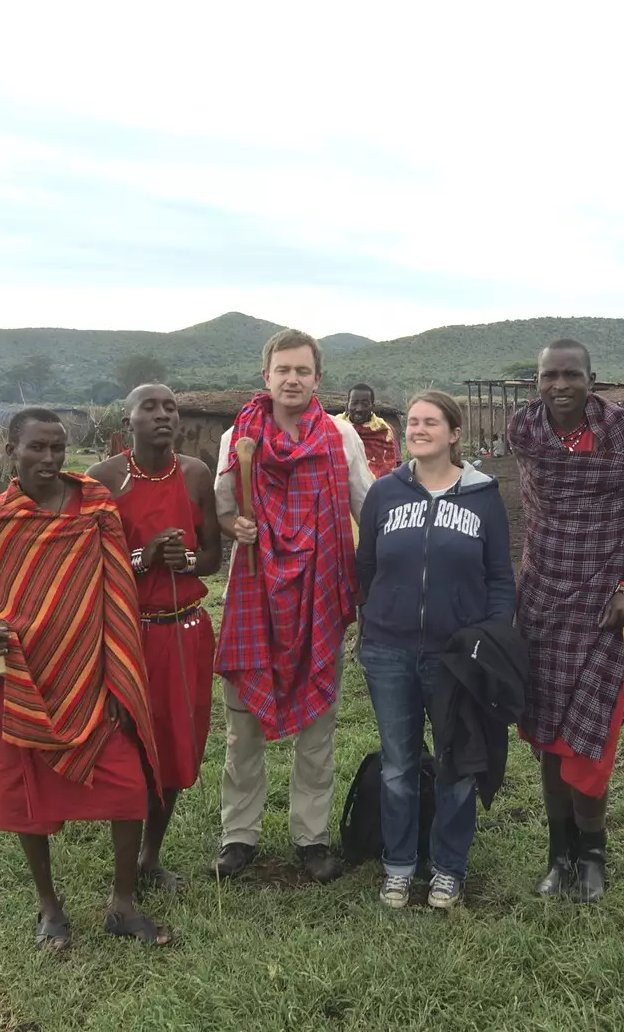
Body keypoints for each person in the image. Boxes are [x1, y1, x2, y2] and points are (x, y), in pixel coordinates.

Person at [0, 408, 173, 949]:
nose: (49, 459)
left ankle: (123, 904)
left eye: (57, 448)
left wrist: (120, 677)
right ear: (12, 451)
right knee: (29, 798)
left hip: (94, 676)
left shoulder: (96, 508)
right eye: (37, 448)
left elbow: (117, 592)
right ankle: (49, 907)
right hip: (24, 682)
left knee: (128, 790)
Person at [506, 339, 624, 903]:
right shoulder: (525, 432)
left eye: (570, 375)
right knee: (549, 740)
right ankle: (560, 855)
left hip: (609, 611)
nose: (559, 386)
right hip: (545, 602)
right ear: (536, 380)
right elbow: (539, 516)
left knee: (591, 740)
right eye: (548, 375)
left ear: (591, 378)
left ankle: (594, 853)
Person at [212, 329, 373, 882]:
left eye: (303, 371)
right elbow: (223, 511)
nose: (292, 379)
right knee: (243, 730)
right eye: (283, 370)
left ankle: (313, 837)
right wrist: (236, 525)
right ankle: (239, 836)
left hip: (320, 596)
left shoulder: (340, 438)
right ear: (266, 376)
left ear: (317, 378)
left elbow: (367, 508)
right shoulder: (239, 437)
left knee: (317, 733)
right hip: (255, 595)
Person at [354, 391, 516, 909]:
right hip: (388, 653)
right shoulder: (384, 492)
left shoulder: (483, 496)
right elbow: (365, 567)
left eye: (430, 422)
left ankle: (448, 868)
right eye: (413, 422)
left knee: (456, 763)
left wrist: (487, 639)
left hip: (456, 657)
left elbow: (499, 577)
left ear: (453, 433)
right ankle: (399, 865)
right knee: (399, 765)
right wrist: (376, 619)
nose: (418, 430)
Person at [88, 384, 223, 894]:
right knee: (128, 749)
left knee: (174, 747)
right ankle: (126, 859)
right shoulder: (103, 480)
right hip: (128, 635)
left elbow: (211, 556)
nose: (163, 415)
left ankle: (150, 855)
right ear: (128, 423)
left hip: (186, 630)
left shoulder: (195, 474)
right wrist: (144, 558)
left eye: (171, 408)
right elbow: (91, 565)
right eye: (150, 408)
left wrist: (182, 561)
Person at [336, 383, 400, 480]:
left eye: (365, 404)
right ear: (347, 405)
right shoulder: (334, 427)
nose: (359, 409)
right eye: (354, 403)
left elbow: (397, 465)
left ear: (372, 407)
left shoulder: (385, 430)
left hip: (378, 490)